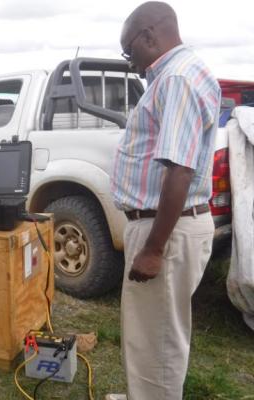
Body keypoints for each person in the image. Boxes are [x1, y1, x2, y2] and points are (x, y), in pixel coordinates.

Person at [108, 2, 221, 399]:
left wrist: (154, 248)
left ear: (149, 37)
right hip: (165, 225)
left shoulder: (176, 79)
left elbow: (181, 170)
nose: (130, 63)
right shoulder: (179, 74)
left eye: (129, 52)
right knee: (151, 334)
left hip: (165, 231)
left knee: (156, 341)